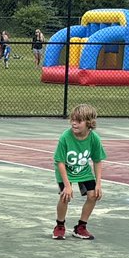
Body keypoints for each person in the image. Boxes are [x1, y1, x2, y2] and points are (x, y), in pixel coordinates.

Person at [52, 103, 106, 241]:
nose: (74, 124)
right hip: (65, 170)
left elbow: (97, 160)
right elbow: (60, 162)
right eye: (72, 120)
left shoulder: (94, 139)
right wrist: (67, 185)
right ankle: (60, 225)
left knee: (93, 194)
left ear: (89, 123)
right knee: (65, 196)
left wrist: (98, 183)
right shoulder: (65, 137)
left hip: (83, 170)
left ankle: (81, 227)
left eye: (78, 121)